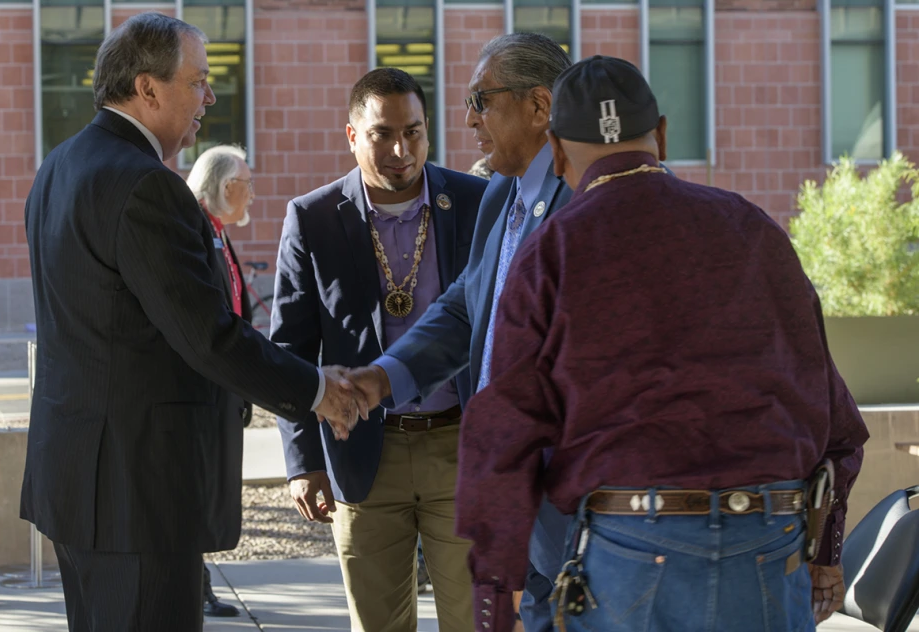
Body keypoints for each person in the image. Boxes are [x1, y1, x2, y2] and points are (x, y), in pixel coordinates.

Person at [455, 56, 869, 632]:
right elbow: (840, 426)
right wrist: (825, 554)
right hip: (768, 544)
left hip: (629, 548)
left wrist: (495, 602)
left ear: (555, 148)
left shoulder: (553, 251)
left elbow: (502, 436)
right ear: (663, 135)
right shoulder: (753, 230)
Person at [22, 11, 367, 632]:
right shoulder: (146, 185)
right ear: (148, 88)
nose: (208, 96)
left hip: (78, 480)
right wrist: (319, 392)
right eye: (198, 81)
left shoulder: (60, 165)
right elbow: (208, 336)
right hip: (137, 491)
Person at [345, 33, 575, 631]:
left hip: (563, 503)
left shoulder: (581, 199)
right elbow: (466, 306)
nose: (468, 117)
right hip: (506, 495)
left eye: (482, 98)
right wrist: (383, 377)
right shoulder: (500, 192)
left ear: (539, 106)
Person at [273, 68, 488, 632]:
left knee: (476, 621)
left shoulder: (475, 201)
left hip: (460, 447)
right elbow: (290, 348)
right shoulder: (313, 218)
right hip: (364, 452)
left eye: (413, 133)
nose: (400, 150)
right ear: (351, 135)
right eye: (382, 135)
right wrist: (303, 463)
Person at [185, 144, 258, 618]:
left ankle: (199, 583)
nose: (251, 195)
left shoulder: (217, 231)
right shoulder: (193, 228)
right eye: (247, 185)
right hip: (200, 389)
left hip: (225, 384)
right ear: (227, 187)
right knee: (195, 489)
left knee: (211, 490)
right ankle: (196, 586)